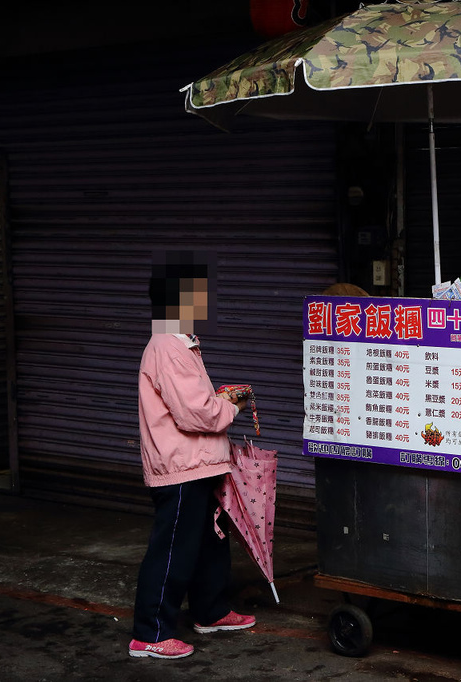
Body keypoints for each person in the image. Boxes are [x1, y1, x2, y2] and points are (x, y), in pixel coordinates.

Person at [129, 252, 256, 660]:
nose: (204, 301)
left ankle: (211, 610)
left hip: (197, 465)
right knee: (173, 550)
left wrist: (218, 400)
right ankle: (150, 633)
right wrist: (230, 407)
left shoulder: (182, 342)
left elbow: (193, 402)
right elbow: (195, 412)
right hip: (180, 469)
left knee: (208, 543)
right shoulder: (168, 345)